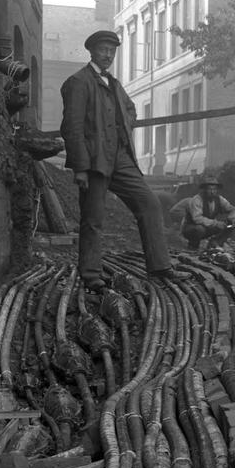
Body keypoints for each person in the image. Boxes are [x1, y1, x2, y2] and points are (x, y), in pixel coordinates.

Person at [60, 30, 190, 291]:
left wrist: (125, 125)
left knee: (150, 203)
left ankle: (160, 267)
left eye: (112, 51)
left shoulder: (115, 84)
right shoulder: (78, 82)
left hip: (121, 158)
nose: (108, 55)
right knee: (93, 218)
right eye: (103, 50)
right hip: (94, 161)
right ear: (92, 51)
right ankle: (91, 275)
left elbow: (130, 109)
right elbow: (71, 128)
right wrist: (80, 168)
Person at [178, 176, 235, 250]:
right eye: (209, 189)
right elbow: (197, 219)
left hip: (208, 227)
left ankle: (214, 244)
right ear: (204, 190)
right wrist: (216, 223)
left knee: (229, 226)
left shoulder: (219, 199)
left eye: (214, 189)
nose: (212, 192)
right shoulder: (197, 200)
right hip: (191, 228)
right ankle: (193, 246)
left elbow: (233, 209)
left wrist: (233, 218)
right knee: (199, 229)